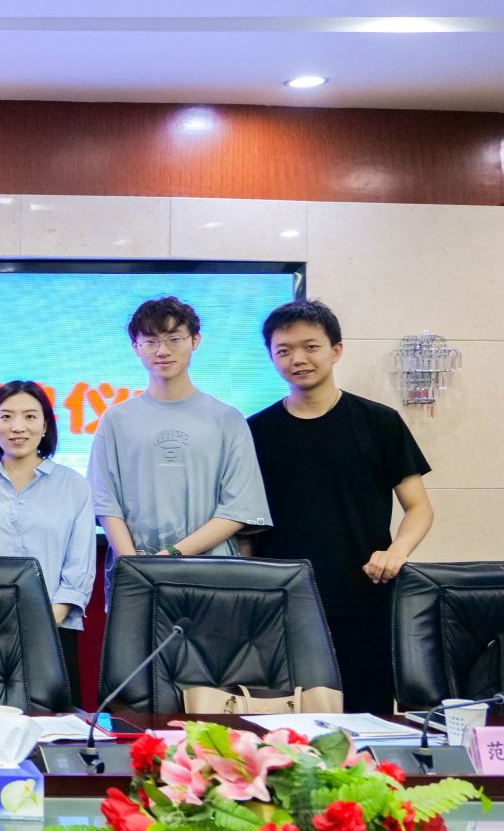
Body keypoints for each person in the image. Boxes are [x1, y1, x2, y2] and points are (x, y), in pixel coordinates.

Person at [246, 299, 432, 713]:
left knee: (367, 722)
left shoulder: (379, 422)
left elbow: (419, 507)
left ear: (336, 350)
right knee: (284, 730)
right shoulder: (254, 431)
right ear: (272, 357)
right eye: (284, 350)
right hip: (282, 605)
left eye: (310, 347)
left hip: (364, 598)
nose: (298, 359)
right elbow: (245, 528)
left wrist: (396, 552)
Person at [88, 295, 271, 566]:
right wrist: (134, 564)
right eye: (150, 341)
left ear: (195, 341)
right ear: (135, 347)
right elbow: (104, 502)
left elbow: (238, 508)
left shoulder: (227, 419)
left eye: (174, 339)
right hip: (135, 570)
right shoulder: (116, 419)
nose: (162, 351)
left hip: (211, 569)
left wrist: (170, 556)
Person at [0, 380, 95, 691]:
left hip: (54, 628)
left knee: (54, 718)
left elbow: (80, 565)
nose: (17, 427)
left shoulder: (73, 485)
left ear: (45, 426)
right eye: (6, 417)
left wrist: (48, 619)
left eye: (30, 416)